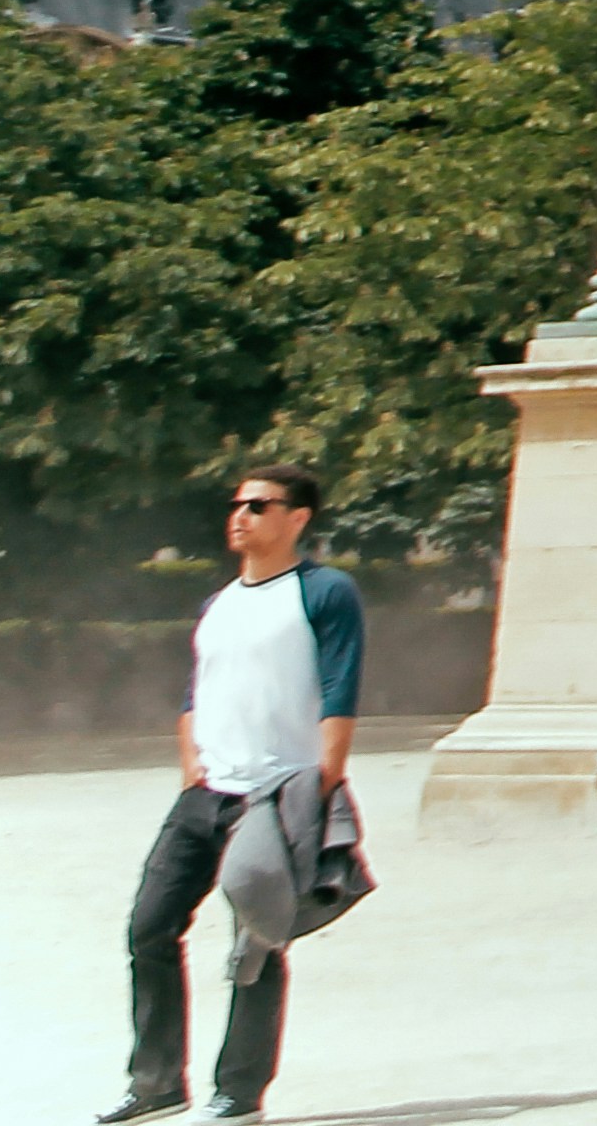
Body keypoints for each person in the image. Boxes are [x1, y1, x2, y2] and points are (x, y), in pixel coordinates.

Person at [103, 460, 365, 1126]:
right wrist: (191, 763)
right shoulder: (217, 604)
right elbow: (196, 694)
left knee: (258, 940)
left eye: (257, 504)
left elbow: (340, 690)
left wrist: (322, 783)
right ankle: (158, 1081)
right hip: (205, 794)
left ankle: (240, 1094)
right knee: (149, 928)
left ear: (297, 517)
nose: (239, 515)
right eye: (237, 504)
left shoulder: (324, 592)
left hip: (277, 793)